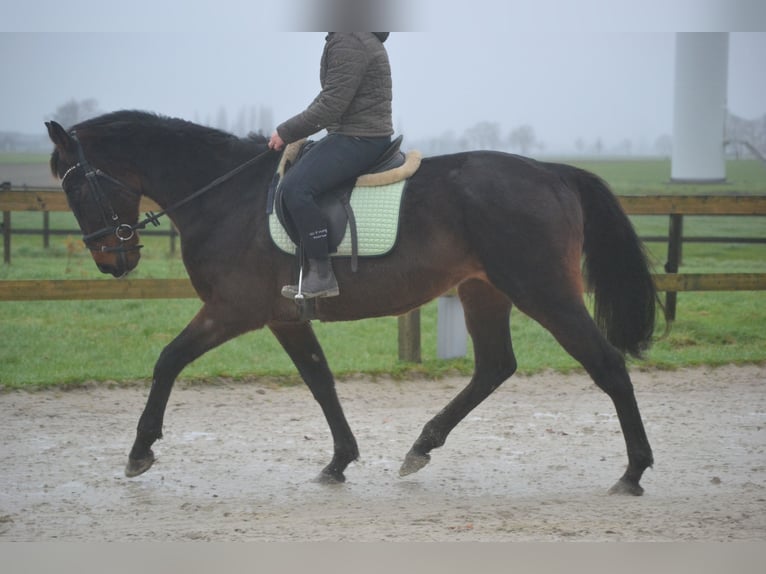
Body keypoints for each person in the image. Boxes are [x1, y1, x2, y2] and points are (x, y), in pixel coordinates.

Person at [268, 32, 394, 299]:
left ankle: (322, 274)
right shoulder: (354, 35)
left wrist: (286, 131)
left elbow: (331, 106)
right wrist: (293, 130)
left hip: (358, 137)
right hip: (359, 133)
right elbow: (328, 96)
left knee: (295, 188)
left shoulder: (349, 40)